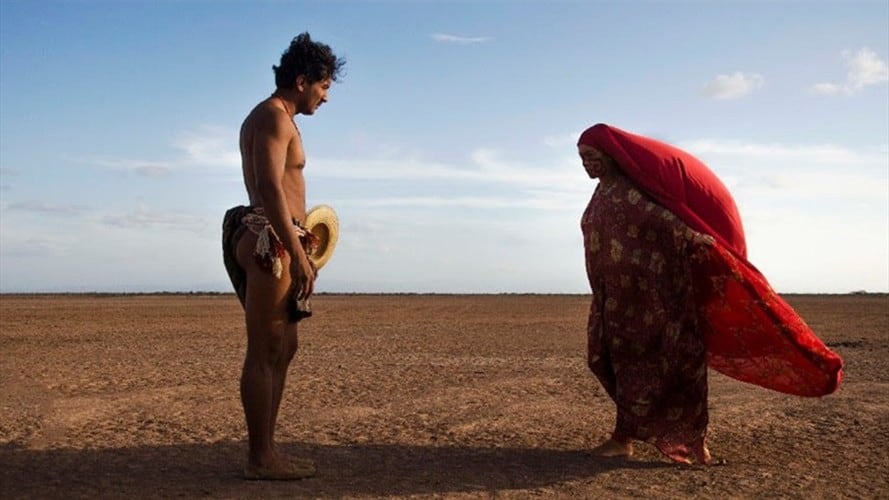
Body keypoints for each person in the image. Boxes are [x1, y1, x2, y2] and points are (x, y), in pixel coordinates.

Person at [578, 123, 843, 465]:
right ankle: (624, 436)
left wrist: (697, 239)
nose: (586, 164)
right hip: (615, 303)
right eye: (582, 159)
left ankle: (683, 441)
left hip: (652, 304)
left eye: (591, 156)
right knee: (609, 361)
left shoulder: (630, 193)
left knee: (665, 368)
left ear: (611, 155)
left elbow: (667, 223)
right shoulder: (601, 196)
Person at [222, 33, 344, 480]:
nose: (325, 97)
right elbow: (272, 187)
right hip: (270, 241)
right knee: (265, 349)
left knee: (283, 348)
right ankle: (260, 458)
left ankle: (268, 450)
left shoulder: (272, 117)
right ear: (302, 80)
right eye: (324, 87)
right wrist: (295, 249)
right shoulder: (274, 118)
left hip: (276, 235)